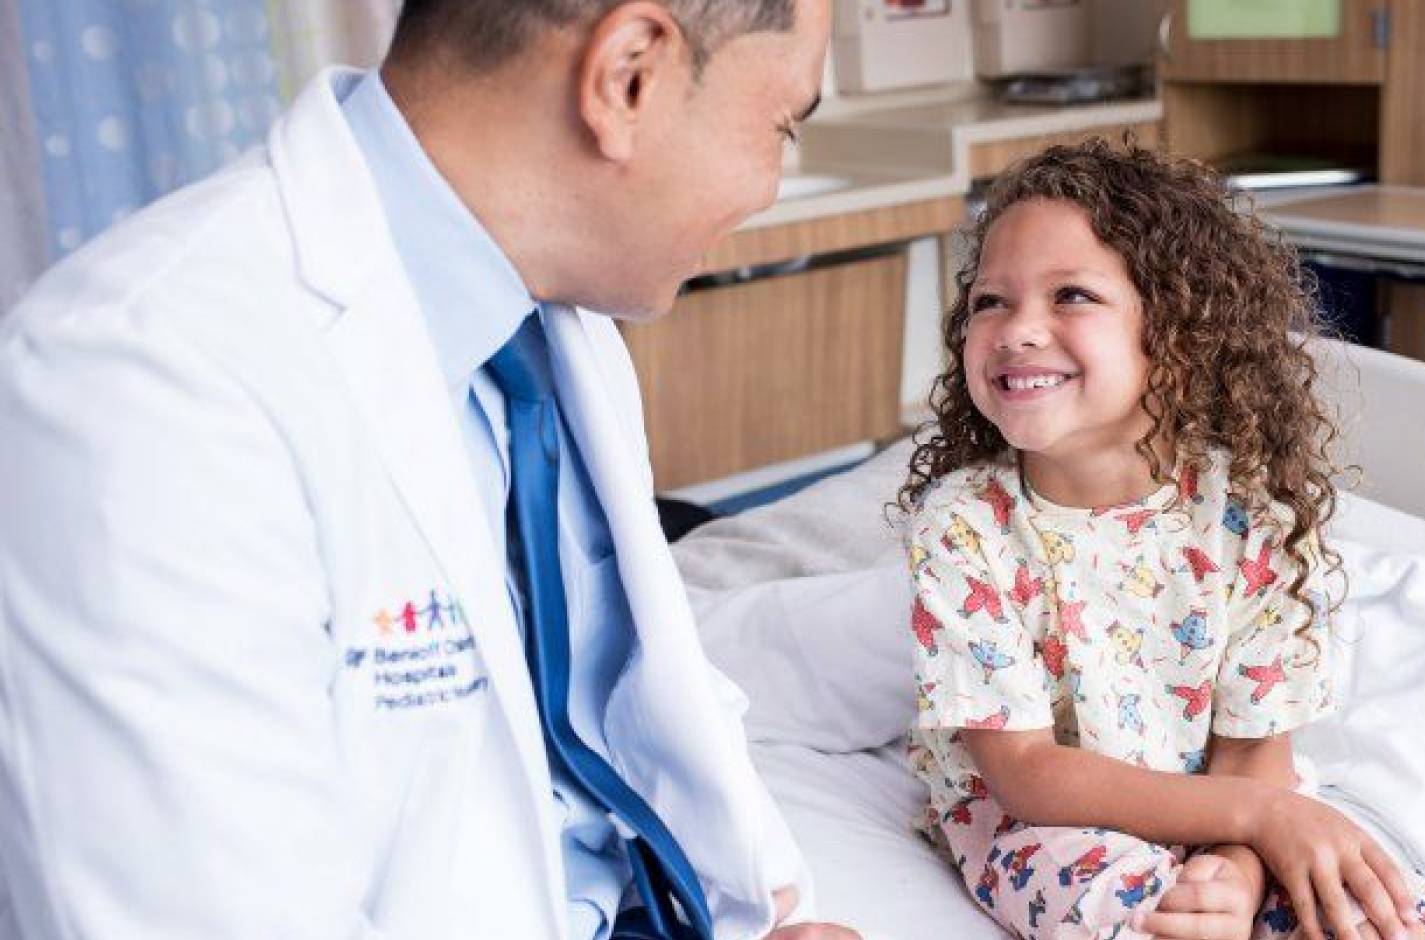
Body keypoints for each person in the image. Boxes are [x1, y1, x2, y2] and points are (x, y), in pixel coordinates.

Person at [0, 1, 858, 939]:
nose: (775, 183)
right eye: (781, 125)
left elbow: (663, 698)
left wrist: (770, 911)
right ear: (630, 76)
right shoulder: (140, 380)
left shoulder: (559, 323)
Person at [897, 140, 1425, 940]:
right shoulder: (963, 525)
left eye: (1072, 296)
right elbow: (1025, 776)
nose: (1017, 330)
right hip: (1048, 824)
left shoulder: (1255, 517)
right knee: (1155, 920)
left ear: (1182, 338)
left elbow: (1254, 753)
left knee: (1383, 912)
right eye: (990, 302)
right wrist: (1253, 826)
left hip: (1229, 806)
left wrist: (1239, 862)